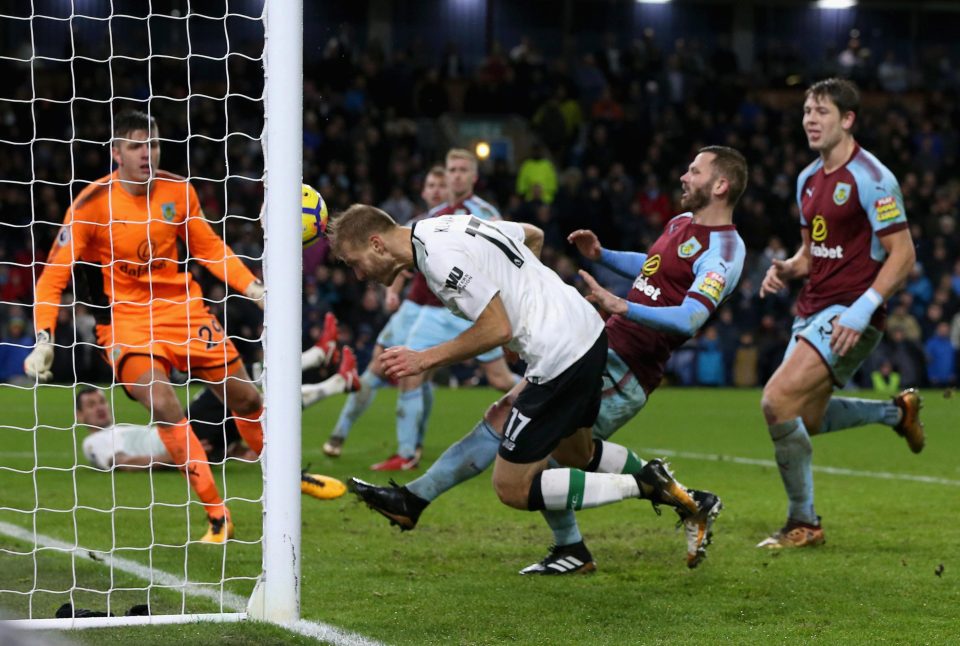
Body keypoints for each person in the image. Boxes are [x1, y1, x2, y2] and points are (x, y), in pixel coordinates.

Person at [348, 146, 748, 572]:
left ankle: (620, 517)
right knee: (533, 433)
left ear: (720, 185)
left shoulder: (725, 250)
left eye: (694, 170)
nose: (684, 176)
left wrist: (622, 306)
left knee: (537, 468)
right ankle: (417, 499)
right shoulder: (681, 223)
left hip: (628, 367)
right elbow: (655, 267)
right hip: (601, 342)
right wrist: (604, 257)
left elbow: (690, 318)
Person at [22, 110, 332, 544]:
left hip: (184, 311)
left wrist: (253, 287)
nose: (146, 153)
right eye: (135, 146)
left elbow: (208, 247)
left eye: (152, 144)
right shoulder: (90, 206)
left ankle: (285, 477)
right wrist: (43, 338)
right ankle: (216, 513)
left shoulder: (177, 190)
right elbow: (53, 277)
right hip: (127, 324)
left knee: (246, 398)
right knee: (165, 403)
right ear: (116, 153)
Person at [758, 78, 925, 549]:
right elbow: (813, 252)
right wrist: (789, 268)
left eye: (822, 111)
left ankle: (803, 522)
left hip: (852, 313)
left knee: (775, 401)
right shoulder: (807, 179)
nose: (811, 119)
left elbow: (903, 254)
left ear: (848, 119)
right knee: (803, 421)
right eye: (807, 110)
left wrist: (863, 309)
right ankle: (896, 413)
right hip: (811, 307)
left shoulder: (873, 177)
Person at [325, 151, 520, 470]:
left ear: (473, 177)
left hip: (469, 308)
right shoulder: (433, 217)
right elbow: (398, 256)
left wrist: (509, 309)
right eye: (451, 170)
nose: (455, 176)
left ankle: (545, 406)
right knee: (410, 372)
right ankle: (404, 449)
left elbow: (512, 249)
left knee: (494, 377)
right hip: (433, 309)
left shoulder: (485, 213)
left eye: (461, 171)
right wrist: (393, 292)